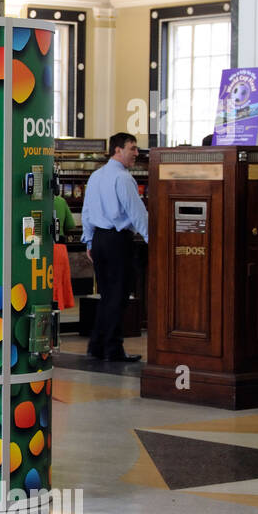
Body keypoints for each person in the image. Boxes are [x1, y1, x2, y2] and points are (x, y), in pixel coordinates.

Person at [80, 133, 149, 362]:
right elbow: (137, 213)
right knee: (118, 296)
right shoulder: (123, 178)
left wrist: (89, 241)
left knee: (108, 295)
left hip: (100, 239)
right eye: (133, 148)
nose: (136, 153)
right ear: (117, 150)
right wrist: (152, 239)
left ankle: (97, 345)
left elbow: (87, 211)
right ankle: (112, 348)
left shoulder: (96, 176)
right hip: (118, 240)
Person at [52, 184, 76, 312]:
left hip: (38, 247)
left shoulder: (37, 201)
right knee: (59, 283)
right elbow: (71, 224)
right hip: (59, 246)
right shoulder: (61, 201)